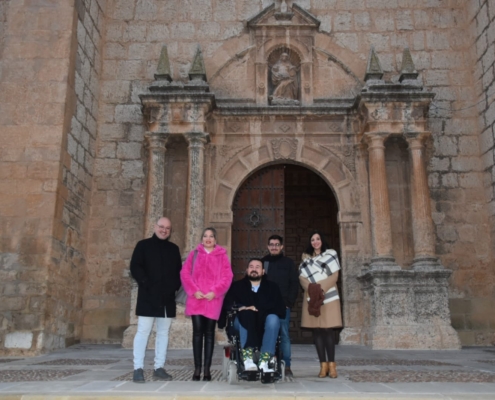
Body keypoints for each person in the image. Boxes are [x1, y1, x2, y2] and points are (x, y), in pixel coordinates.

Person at [130, 217, 182, 383]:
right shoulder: (142, 245)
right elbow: (135, 266)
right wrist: (146, 283)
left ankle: (159, 367)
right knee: (143, 332)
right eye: (161, 227)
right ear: (155, 227)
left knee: (163, 333)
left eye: (167, 228)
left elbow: (178, 272)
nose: (164, 230)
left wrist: (173, 288)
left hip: (167, 299)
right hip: (148, 296)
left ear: (170, 231)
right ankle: (137, 368)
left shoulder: (174, 249)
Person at [180, 227, 233, 381]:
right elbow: (184, 273)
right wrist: (193, 290)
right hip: (196, 299)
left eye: (211, 236)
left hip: (212, 300)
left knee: (209, 334)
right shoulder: (194, 254)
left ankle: (207, 370)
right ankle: (197, 369)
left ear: (215, 239)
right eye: (205, 236)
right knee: (197, 333)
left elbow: (227, 277)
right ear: (202, 239)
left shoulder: (222, 256)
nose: (208, 239)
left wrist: (215, 292)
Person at [225, 258, 286, 373]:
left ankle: (264, 360)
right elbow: (228, 304)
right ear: (247, 270)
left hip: (265, 322)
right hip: (242, 322)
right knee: (246, 314)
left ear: (263, 271)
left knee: (273, 319)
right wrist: (243, 307)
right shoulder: (237, 286)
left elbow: (280, 308)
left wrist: (260, 310)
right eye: (251, 267)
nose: (254, 269)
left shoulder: (273, 287)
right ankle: (248, 358)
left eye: (257, 267)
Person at [299, 231, 342, 379]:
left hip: (328, 297)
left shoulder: (331, 254)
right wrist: (312, 289)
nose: (315, 242)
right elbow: (302, 277)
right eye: (312, 240)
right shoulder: (305, 259)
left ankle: (332, 365)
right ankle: (323, 366)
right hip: (312, 298)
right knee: (317, 332)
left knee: (328, 331)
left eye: (317, 239)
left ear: (322, 240)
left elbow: (334, 276)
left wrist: (319, 288)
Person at [261, 234, 299, 377]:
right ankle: (266, 362)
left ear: (281, 247)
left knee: (284, 335)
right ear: (268, 246)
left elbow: (294, 284)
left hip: (283, 306)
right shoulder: (263, 262)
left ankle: (287, 365)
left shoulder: (288, 263)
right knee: (267, 333)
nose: (274, 247)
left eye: (277, 244)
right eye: (271, 244)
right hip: (266, 306)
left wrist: (289, 303)